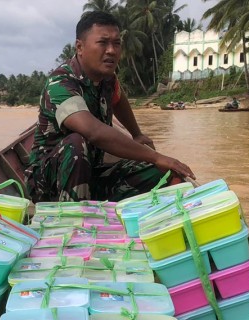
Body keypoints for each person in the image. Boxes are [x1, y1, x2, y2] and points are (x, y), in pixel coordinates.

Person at [25, 11, 195, 203]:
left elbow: (119, 99)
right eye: (103, 42)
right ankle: (74, 220)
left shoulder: (107, 78)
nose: (112, 51)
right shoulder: (60, 84)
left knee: (163, 173)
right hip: (48, 184)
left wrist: (136, 133)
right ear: (80, 47)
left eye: (116, 43)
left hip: (92, 172)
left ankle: (106, 207)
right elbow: (94, 132)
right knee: (75, 143)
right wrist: (155, 156)